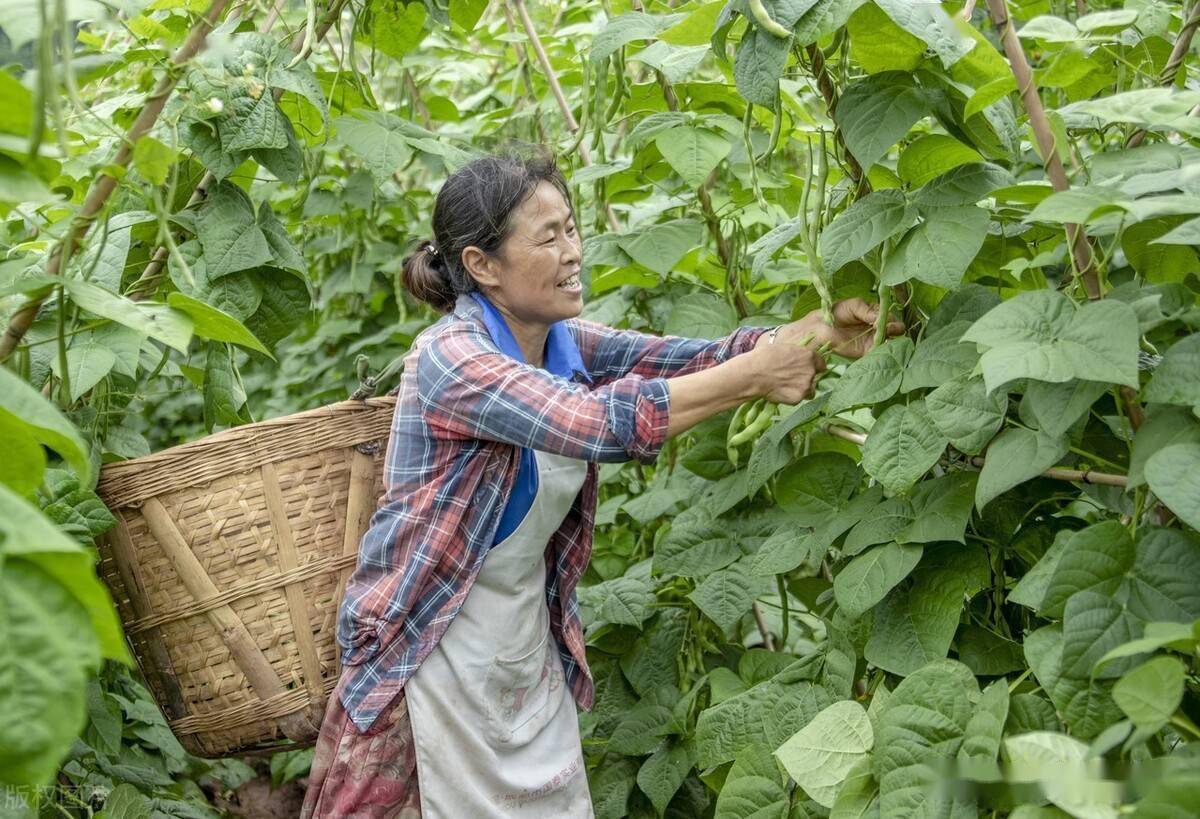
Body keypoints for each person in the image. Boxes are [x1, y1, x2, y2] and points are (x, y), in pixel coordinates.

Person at [300, 152, 901, 818]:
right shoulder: (453, 358)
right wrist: (760, 376)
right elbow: (600, 422)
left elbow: (688, 357)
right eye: (548, 236)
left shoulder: (558, 339)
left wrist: (811, 334)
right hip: (430, 660)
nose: (572, 251)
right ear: (482, 265)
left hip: (521, 657)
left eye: (573, 228)